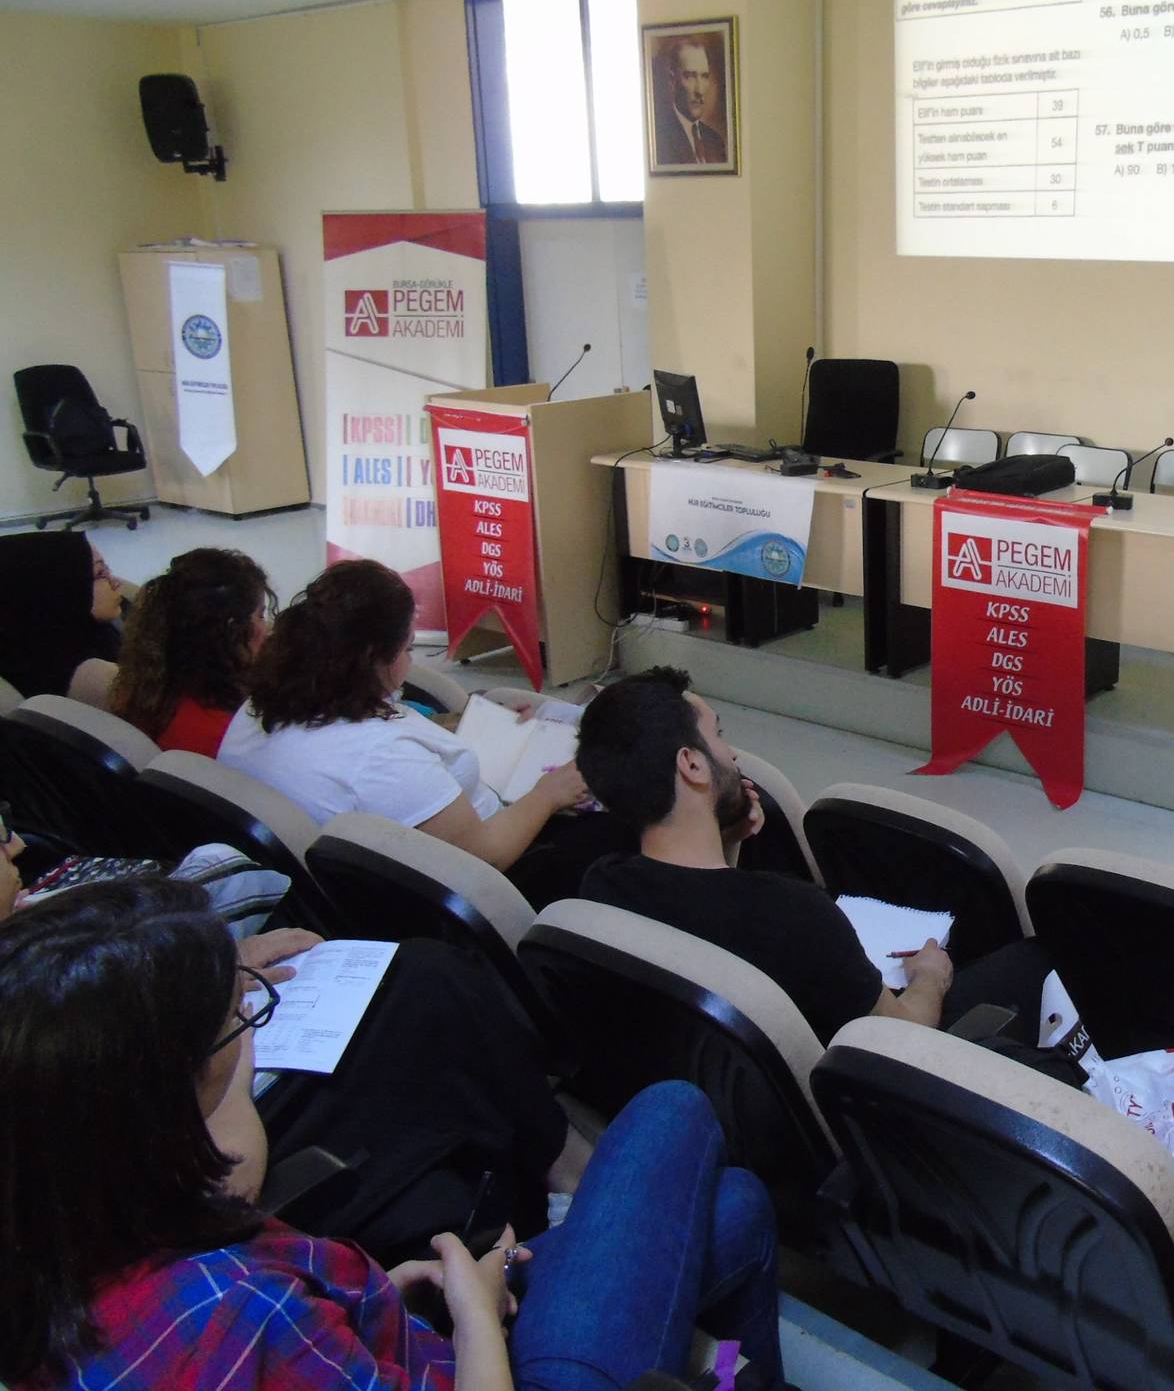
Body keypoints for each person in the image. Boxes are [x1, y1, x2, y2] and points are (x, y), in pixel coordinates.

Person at [0, 877, 786, 1390]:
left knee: (735, 1211)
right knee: (674, 1113)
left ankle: (728, 1374)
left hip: (407, 1341)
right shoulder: (237, 1315)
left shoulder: (63, 1244)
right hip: (491, 1371)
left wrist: (375, 1299)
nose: (251, 1038)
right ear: (162, 1111)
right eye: (237, 1021)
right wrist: (476, 1319)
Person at [575, 667, 1053, 1044]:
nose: (733, 753)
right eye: (718, 735)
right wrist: (929, 978)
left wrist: (729, 841)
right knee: (1034, 960)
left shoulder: (602, 886)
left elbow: (710, 903)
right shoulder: (792, 915)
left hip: (716, 1090)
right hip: (848, 1099)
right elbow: (901, 1033)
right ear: (693, 764)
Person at [219, 559, 593, 876]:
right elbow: (484, 855)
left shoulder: (261, 705)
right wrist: (548, 794)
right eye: (407, 649)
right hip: (503, 856)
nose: (410, 661)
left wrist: (471, 725)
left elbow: (388, 733)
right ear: (374, 659)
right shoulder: (382, 759)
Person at [111, 546, 274, 755]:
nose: (267, 630)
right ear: (230, 631)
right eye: (260, 616)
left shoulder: (150, 690)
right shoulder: (229, 735)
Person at [0, 530, 127, 700]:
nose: (115, 582)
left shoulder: (88, 631)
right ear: (63, 589)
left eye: (107, 569)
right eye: (100, 573)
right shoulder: (91, 675)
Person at [654, 39, 727, 165]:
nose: (699, 90)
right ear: (672, 80)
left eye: (704, 76)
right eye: (690, 76)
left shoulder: (715, 141)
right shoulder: (659, 139)